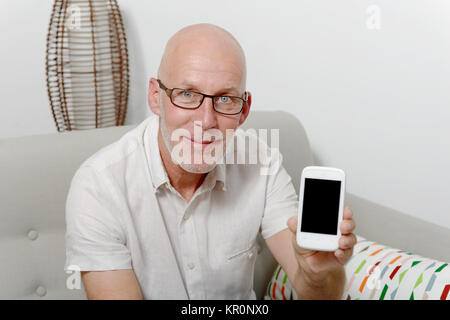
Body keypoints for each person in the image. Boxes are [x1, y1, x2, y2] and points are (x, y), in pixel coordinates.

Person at [64, 23, 357, 300]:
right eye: (188, 94)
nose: (206, 121)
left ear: (244, 111)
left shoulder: (263, 164)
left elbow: (318, 291)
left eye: (225, 99)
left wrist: (316, 274)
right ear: (156, 97)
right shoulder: (98, 186)